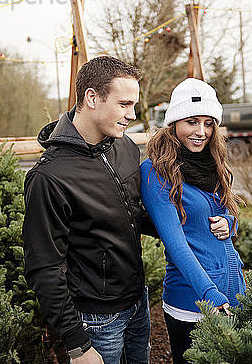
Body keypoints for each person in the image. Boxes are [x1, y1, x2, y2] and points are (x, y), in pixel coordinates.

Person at [23, 56, 156, 364]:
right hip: (97, 321)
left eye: (133, 105)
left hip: (138, 301)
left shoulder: (125, 147)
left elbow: (132, 212)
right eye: (124, 104)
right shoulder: (50, 176)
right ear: (92, 98)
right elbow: (44, 267)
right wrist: (77, 344)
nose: (131, 115)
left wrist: (191, 223)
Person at [140, 78, 246, 364]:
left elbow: (223, 213)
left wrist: (229, 223)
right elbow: (176, 243)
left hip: (233, 290)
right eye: (192, 122)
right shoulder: (156, 172)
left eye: (209, 123)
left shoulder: (212, 162)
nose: (202, 132)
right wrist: (209, 294)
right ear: (174, 122)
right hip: (194, 300)